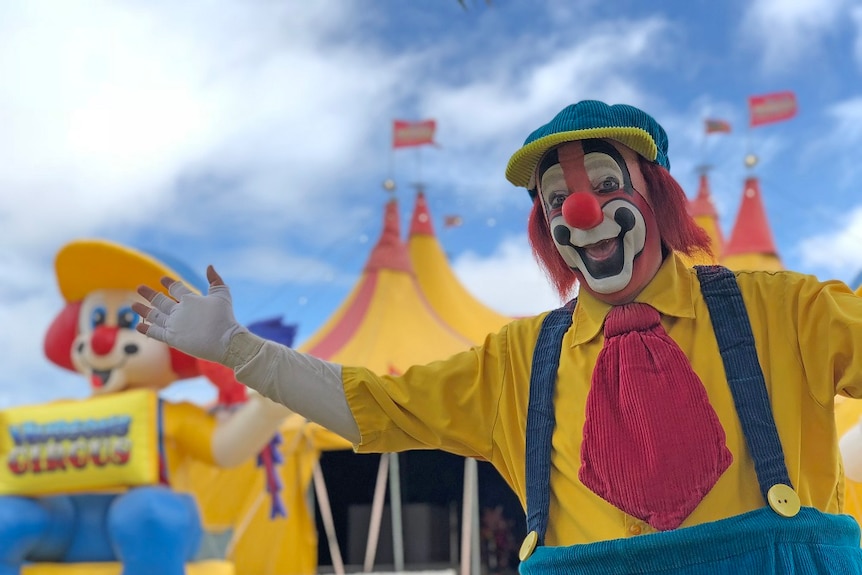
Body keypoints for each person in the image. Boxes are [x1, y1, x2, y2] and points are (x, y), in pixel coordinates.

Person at [132, 100, 862, 573]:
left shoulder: (787, 310)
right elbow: (373, 407)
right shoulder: (519, 361)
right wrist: (238, 349)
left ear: (656, 196)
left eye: (607, 185)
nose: (580, 210)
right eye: (556, 202)